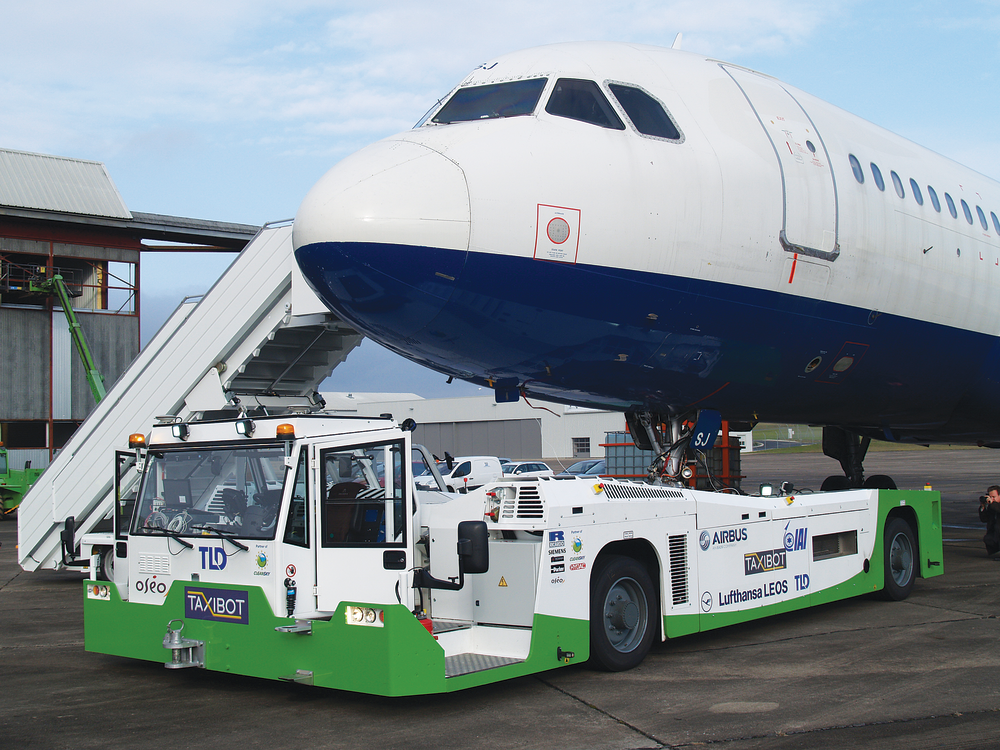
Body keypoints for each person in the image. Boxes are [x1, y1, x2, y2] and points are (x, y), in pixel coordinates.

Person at [979, 485, 1000, 556]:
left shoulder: (994, 505)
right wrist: (983, 506)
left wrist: (993, 504)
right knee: (988, 538)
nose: (992, 499)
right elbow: (984, 519)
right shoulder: (992, 506)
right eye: (990, 497)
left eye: (994, 497)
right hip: (995, 535)